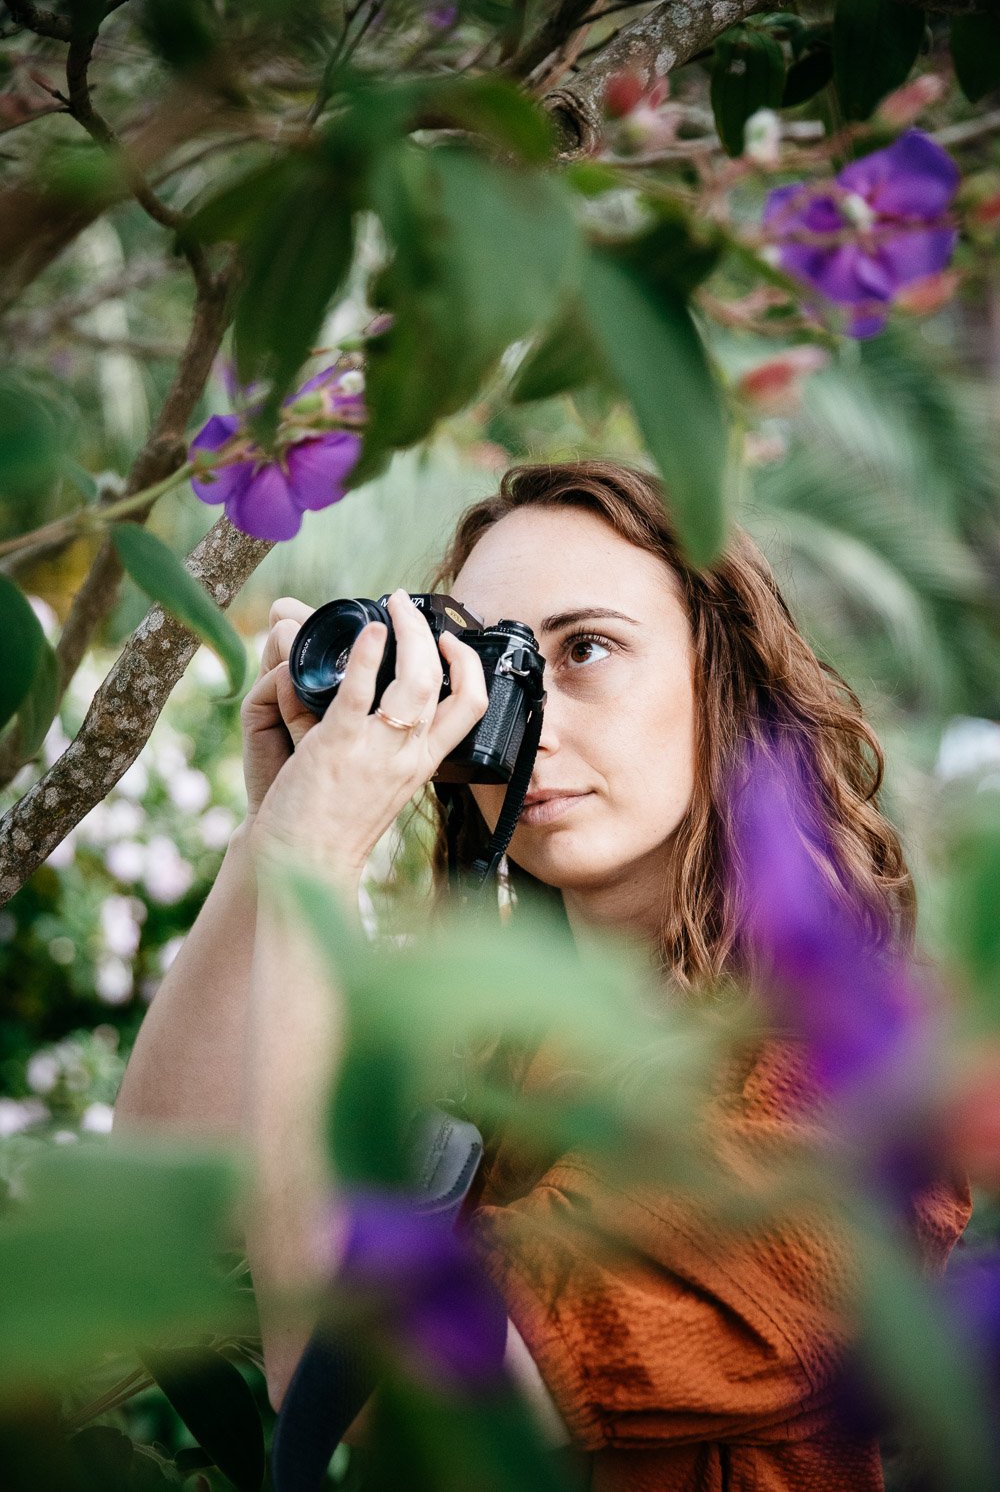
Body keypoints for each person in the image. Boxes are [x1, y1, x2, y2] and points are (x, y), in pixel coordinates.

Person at [114, 459, 971, 1491]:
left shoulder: (840, 1095)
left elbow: (360, 1390)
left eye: (587, 649)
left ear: (722, 678)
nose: (528, 723)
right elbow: (164, 1189)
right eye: (493, 669)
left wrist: (314, 863)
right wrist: (276, 834)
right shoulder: (483, 1038)